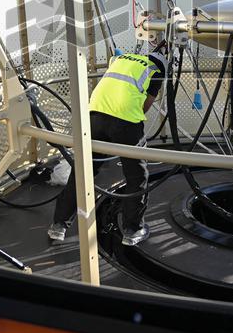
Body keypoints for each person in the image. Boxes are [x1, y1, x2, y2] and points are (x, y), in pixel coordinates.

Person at [49, 46, 167, 247]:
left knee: (83, 173)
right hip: (125, 120)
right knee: (136, 176)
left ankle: (58, 225)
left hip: (93, 116)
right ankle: (133, 229)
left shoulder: (124, 59)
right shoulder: (157, 71)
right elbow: (145, 105)